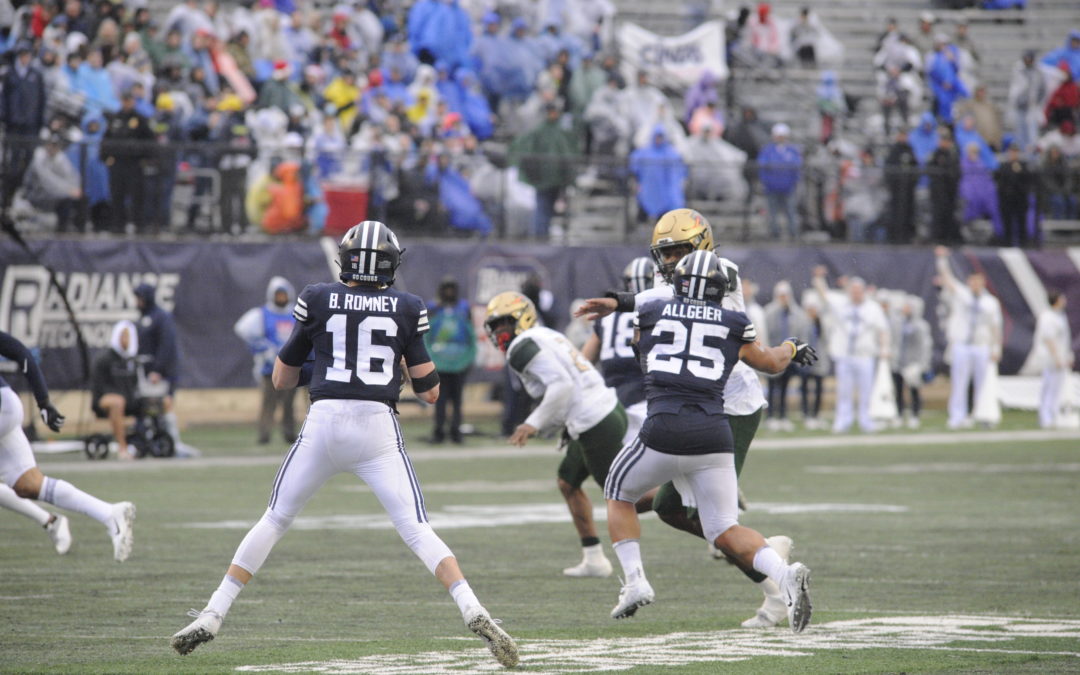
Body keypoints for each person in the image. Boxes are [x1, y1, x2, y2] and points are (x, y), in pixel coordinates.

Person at [171, 222, 519, 668]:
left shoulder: (317, 297)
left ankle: (214, 612)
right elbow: (430, 391)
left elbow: (281, 379)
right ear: (392, 264)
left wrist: (323, 351)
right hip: (377, 426)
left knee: (275, 518)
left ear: (347, 259)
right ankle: (474, 608)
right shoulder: (407, 306)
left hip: (323, 421)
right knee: (416, 528)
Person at [574, 209, 795, 629]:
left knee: (685, 512)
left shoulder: (718, 273)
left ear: (702, 247)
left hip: (729, 403)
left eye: (680, 250)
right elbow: (658, 303)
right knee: (673, 509)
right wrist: (621, 304)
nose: (673, 260)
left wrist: (621, 304)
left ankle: (769, 573)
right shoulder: (668, 282)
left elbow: (693, 317)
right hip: (697, 408)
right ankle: (770, 570)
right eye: (667, 252)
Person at [484, 291, 627, 579]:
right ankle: (594, 558)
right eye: (495, 325)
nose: (500, 331)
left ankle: (682, 500)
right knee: (568, 481)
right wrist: (559, 426)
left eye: (505, 323)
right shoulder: (544, 335)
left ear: (522, 318)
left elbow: (561, 387)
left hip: (595, 420)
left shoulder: (521, 347)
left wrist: (532, 424)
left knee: (627, 496)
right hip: (602, 412)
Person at [1, 330, 135, 561]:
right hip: (7, 404)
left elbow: (17, 351)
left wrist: (44, 401)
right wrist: (43, 401)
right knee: (28, 485)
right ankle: (108, 513)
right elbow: (20, 352)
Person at [580, 257, 656, 453]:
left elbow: (582, 363)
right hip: (646, 397)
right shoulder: (660, 309)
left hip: (611, 403)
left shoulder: (609, 314)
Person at [812, 267, 890, 433]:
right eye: (853, 291)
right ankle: (842, 421)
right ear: (849, 291)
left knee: (866, 391)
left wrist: (884, 349)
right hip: (844, 355)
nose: (856, 294)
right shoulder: (841, 303)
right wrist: (819, 279)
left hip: (865, 355)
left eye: (858, 291)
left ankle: (866, 420)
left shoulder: (872, 308)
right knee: (844, 391)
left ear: (863, 291)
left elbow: (882, 329)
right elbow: (823, 295)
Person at [935, 246, 1004, 429]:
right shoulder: (962, 295)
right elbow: (948, 279)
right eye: (972, 282)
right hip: (963, 345)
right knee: (959, 382)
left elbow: (995, 327)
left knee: (983, 383)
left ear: (983, 283)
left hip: (981, 345)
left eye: (978, 282)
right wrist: (942, 260)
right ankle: (957, 416)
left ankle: (982, 414)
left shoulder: (990, 302)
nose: (975, 285)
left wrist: (996, 348)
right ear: (969, 282)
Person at [233, 277, 298, 445]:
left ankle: (289, 433)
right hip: (270, 368)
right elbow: (245, 331)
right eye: (279, 295)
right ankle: (264, 434)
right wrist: (264, 349)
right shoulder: (263, 314)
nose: (281, 298)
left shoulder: (296, 313)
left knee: (289, 404)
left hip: (291, 367)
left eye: (284, 295)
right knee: (268, 403)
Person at [423, 278, 477, 444]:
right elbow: (426, 335)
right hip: (439, 363)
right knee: (439, 399)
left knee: (457, 401)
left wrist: (469, 358)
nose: (449, 292)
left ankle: (456, 432)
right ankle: (439, 432)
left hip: (459, 363)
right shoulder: (433, 308)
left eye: (451, 288)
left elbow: (471, 334)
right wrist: (429, 358)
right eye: (446, 288)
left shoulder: (463, 308)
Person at [134, 283, 184, 451]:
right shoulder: (143, 317)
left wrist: (158, 369)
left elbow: (166, 345)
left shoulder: (161, 317)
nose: (137, 301)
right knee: (148, 409)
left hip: (163, 373)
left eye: (140, 297)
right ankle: (151, 442)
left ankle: (173, 443)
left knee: (164, 404)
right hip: (145, 373)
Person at [103, 90, 155, 234]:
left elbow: (150, 140)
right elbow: (106, 139)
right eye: (124, 100)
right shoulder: (115, 119)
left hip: (134, 163)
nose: (126, 103)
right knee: (117, 195)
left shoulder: (140, 119)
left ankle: (139, 225)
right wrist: (106, 157)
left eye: (129, 100)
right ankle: (118, 225)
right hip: (118, 163)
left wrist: (146, 158)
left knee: (137, 196)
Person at [90, 320, 141, 460]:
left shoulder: (133, 360)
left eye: (128, 336)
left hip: (129, 401)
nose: (126, 340)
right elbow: (99, 387)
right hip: (106, 401)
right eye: (123, 336)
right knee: (117, 402)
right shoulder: (104, 359)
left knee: (157, 401)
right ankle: (122, 448)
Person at [763, 281, 806, 431]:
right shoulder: (769, 312)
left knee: (785, 386)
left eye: (786, 295)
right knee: (772, 386)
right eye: (781, 295)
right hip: (772, 354)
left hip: (788, 356)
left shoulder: (796, 313)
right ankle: (770, 416)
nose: (784, 298)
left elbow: (799, 335)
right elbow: (765, 334)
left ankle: (782, 416)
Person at [890, 296, 932, 429]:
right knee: (897, 390)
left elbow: (925, 346)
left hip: (913, 363)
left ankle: (915, 415)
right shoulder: (898, 323)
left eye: (908, 307)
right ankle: (899, 414)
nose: (905, 309)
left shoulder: (920, 325)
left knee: (914, 390)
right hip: (898, 362)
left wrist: (922, 364)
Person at [1034, 292, 1073, 429]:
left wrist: (1067, 356)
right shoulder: (1047, 317)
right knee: (1049, 387)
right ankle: (1045, 417)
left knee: (1057, 388)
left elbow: (1064, 340)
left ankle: (1053, 414)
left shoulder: (1060, 316)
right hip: (1050, 358)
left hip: (1060, 358)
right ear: (1056, 300)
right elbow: (1049, 338)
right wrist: (1057, 358)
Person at [758, 123, 802, 241]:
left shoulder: (792, 150)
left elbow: (797, 167)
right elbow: (762, 167)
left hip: (788, 187)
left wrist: (793, 182)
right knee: (772, 213)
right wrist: (767, 182)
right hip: (772, 187)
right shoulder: (768, 150)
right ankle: (774, 234)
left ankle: (793, 234)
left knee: (791, 212)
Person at [1008, 50, 1048, 155]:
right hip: (1020, 107)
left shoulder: (1038, 72)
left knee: (1032, 134)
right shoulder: (1018, 70)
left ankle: (1032, 158)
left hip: (1032, 107)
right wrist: (1018, 101)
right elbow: (1015, 88)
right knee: (1020, 133)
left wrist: (1037, 102)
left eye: (1029, 59)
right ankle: (1022, 155)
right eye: (1026, 59)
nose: (1028, 61)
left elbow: (1042, 90)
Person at [994, 145, 1033, 247]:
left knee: (1021, 221)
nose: (1013, 154)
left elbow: (1028, 181)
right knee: (1007, 221)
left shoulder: (1024, 166)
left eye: (1015, 152)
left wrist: (1019, 171)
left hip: (1020, 198)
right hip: (1007, 198)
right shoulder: (1003, 166)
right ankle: (1007, 242)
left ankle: (1023, 242)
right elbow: (1000, 181)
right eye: (1011, 152)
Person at [884, 128, 918, 244]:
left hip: (908, 190)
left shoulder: (910, 149)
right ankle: (894, 237)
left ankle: (907, 236)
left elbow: (915, 167)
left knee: (908, 213)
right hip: (896, 190)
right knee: (895, 212)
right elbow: (888, 168)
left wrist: (911, 181)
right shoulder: (894, 150)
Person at [928, 131, 961, 244]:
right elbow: (930, 170)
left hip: (950, 191)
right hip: (938, 191)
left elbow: (956, 172)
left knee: (949, 214)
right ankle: (937, 239)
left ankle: (948, 238)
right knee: (937, 215)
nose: (944, 143)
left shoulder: (953, 155)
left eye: (946, 141)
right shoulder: (936, 154)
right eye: (942, 140)